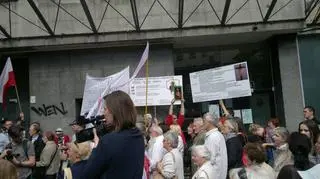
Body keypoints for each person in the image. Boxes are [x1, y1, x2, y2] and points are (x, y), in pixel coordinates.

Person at [79, 90, 144, 179]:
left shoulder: (108, 141)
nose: (103, 113)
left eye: (105, 109)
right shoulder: (138, 136)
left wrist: (96, 148)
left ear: (114, 111)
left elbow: (87, 175)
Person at [203, 113, 228, 179]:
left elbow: (211, 158)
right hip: (218, 173)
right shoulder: (217, 134)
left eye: (204, 121)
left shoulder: (213, 136)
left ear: (209, 122)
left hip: (214, 174)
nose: (203, 123)